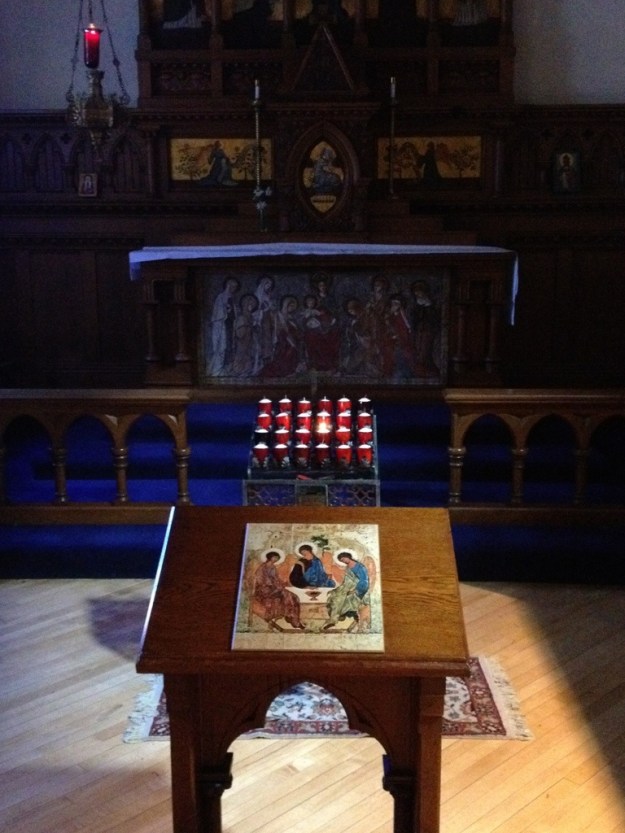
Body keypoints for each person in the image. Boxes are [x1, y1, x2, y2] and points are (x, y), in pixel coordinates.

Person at [253, 551, 305, 630]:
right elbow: (260, 580)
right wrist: (274, 585)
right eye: (275, 557)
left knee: (294, 597)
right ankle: (292, 617)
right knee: (288, 595)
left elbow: (276, 579)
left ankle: (293, 618)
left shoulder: (273, 567)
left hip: (274, 588)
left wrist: (282, 584)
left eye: (278, 558)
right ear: (271, 557)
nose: (276, 559)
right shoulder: (262, 568)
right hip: (264, 590)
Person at [323, 551, 369, 629]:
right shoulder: (348, 567)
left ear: (348, 556)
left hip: (358, 588)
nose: (343, 561)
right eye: (342, 560)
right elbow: (346, 580)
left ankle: (335, 620)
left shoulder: (360, 567)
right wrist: (339, 588)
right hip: (347, 587)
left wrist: (356, 590)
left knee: (342, 600)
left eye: (344, 559)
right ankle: (333, 619)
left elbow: (364, 580)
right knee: (334, 596)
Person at [208, 276, 239, 375]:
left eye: (235, 286)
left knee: (230, 347)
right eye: (231, 285)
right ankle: (217, 370)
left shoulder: (232, 299)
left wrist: (233, 312)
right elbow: (217, 314)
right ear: (227, 285)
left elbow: (234, 314)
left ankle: (227, 368)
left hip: (230, 326)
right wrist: (226, 311)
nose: (232, 288)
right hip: (221, 326)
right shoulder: (220, 297)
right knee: (221, 348)